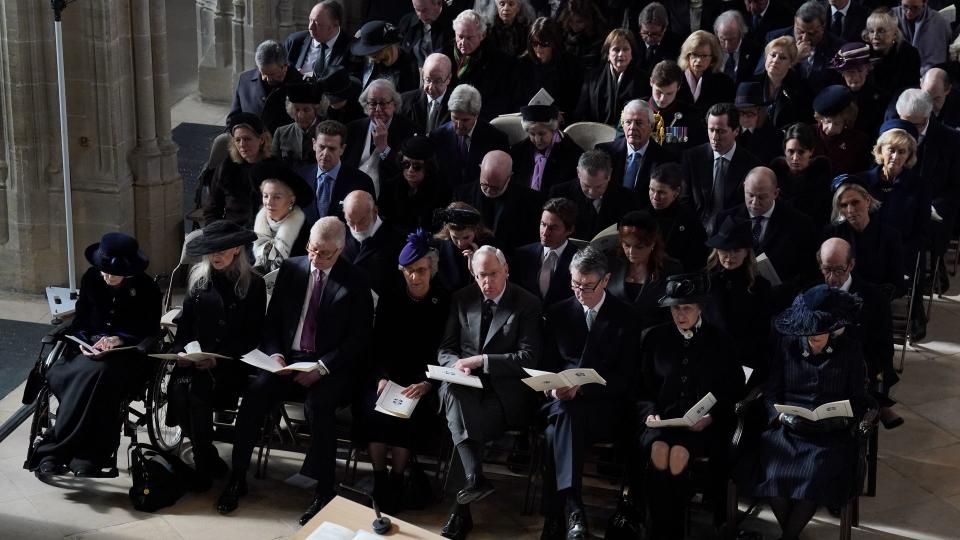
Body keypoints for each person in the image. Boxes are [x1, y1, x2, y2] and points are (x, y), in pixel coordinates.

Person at [217, 217, 374, 523]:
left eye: (325, 254)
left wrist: (323, 367)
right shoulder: (293, 268)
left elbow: (359, 339)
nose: (316, 258)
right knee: (254, 395)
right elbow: (273, 321)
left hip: (330, 365)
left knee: (319, 407)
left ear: (340, 250)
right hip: (287, 361)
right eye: (312, 250)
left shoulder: (355, 281)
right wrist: (275, 354)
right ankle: (237, 477)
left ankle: (324, 491)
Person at [28, 233, 161, 477]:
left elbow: (150, 330)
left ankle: (70, 452)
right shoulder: (92, 278)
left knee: (99, 377)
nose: (107, 276)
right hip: (87, 350)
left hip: (126, 356)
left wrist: (118, 339)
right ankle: (70, 453)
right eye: (104, 271)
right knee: (70, 374)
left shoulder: (147, 289)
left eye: (114, 273)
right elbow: (81, 320)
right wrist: (85, 341)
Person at [437, 245, 542, 540]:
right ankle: (473, 481)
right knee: (457, 399)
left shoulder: (527, 303)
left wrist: (482, 361)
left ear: (506, 269)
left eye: (493, 274)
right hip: (464, 385)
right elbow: (446, 348)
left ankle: (461, 509)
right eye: (481, 275)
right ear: (474, 273)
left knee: (468, 425)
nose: (487, 282)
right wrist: (456, 365)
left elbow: (527, 359)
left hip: (505, 392)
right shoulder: (462, 298)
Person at [539, 246, 639, 540]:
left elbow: (627, 377)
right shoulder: (558, 313)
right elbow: (545, 368)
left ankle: (560, 515)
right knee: (564, 416)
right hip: (560, 404)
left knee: (552, 435)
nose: (579, 292)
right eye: (574, 284)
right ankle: (572, 510)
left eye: (587, 286)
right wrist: (553, 389)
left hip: (604, 408)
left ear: (606, 280)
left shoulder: (626, 317)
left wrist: (584, 387)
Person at [754, 285, 868, 540]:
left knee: (814, 479)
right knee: (772, 476)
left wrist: (841, 417)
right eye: (809, 331)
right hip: (789, 431)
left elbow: (858, 399)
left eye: (821, 331)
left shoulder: (849, 350)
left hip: (830, 435)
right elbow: (771, 392)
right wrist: (781, 416)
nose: (814, 336)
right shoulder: (787, 346)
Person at [637, 273, 745, 539]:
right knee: (659, 452)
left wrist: (711, 416)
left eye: (686, 307)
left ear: (700, 308)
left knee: (678, 456)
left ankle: (668, 532)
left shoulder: (720, 341)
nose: (680, 314)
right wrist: (649, 410)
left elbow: (734, 388)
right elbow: (641, 386)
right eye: (675, 307)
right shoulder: (654, 338)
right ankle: (663, 531)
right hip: (663, 422)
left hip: (704, 426)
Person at [354, 229, 449, 513]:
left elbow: (446, 350)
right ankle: (380, 477)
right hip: (388, 376)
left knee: (409, 415)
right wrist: (381, 376)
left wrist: (427, 383)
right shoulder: (391, 297)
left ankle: (397, 478)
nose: (415, 277)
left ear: (431, 269)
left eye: (421, 270)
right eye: (409, 271)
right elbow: (377, 344)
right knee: (375, 410)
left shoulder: (443, 301)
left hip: (424, 380)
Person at [167, 222, 266, 490]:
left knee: (198, 394)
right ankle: (207, 453)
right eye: (211, 251)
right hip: (196, 358)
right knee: (177, 392)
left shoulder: (253, 284)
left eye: (221, 250)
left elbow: (253, 335)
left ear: (236, 248)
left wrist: (219, 357)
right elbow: (186, 324)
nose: (216, 256)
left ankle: (202, 462)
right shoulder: (199, 279)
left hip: (231, 363)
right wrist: (181, 353)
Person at [817, 237, 902, 428]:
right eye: (826, 269)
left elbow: (883, 350)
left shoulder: (874, 299)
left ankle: (877, 404)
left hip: (857, 368)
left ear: (851, 265)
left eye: (839, 270)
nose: (831, 278)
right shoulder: (811, 291)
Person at [713, 166, 818, 298]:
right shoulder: (724, 219)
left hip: (780, 301)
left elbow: (808, 272)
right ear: (744, 187)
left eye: (762, 197)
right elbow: (715, 264)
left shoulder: (800, 224)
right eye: (750, 195)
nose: (755, 203)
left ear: (776, 193)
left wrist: (780, 291)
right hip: (734, 298)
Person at [896, 84, 960, 290]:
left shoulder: (951, 140)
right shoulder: (893, 127)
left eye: (913, 125)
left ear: (927, 117)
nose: (905, 130)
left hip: (934, 208)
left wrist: (929, 206)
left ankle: (921, 280)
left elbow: (955, 187)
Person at [704, 216, 773, 381]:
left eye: (736, 250)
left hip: (747, 362)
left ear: (747, 252)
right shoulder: (707, 282)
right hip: (710, 359)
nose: (729, 256)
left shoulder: (760, 286)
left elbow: (761, 334)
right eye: (724, 250)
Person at [859, 118, 930, 275]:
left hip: (901, 257)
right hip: (863, 253)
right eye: (891, 150)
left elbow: (921, 232)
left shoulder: (919, 186)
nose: (895, 157)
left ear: (909, 155)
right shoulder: (861, 182)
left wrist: (897, 253)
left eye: (902, 151)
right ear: (880, 150)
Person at [680, 102, 763, 234]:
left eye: (721, 131)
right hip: (695, 233)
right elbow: (685, 199)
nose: (715, 137)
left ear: (736, 131)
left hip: (733, 234)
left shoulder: (751, 165)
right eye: (711, 130)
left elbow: (747, 207)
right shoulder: (692, 158)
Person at [824, 177, 907, 297]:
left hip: (876, 300)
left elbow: (898, 284)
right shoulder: (831, 233)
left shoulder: (890, 236)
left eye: (855, 202)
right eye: (843, 205)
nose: (850, 210)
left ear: (867, 201)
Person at [605, 210, 682, 330]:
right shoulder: (612, 264)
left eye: (639, 247)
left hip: (653, 337)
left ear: (652, 244)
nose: (631, 252)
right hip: (615, 335)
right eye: (626, 245)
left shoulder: (670, 269)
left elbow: (672, 312)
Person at [453, 150, 544, 251]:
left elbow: (531, 241)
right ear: (480, 169)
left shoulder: (530, 200)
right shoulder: (462, 194)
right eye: (484, 184)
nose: (489, 190)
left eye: (496, 187)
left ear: (509, 177)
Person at [342, 78, 417, 196]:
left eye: (383, 103)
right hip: (352, 195)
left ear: (394, 104)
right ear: (366, 106)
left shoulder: (409, 130)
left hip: (389, 198)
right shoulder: (352, 129)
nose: (378, 109)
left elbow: (406, 172)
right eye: (372, 103)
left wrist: (384, 148)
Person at [204, 113, 277, 227]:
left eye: (247, 139)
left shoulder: (276, 168)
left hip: (265, 233)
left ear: (261, 140)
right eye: (237, 140)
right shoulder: (226, 168)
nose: (242, 145)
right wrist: (219, 234)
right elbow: (212, 211)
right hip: (232, 232)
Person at [549, 150, 640, 241]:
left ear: (609, 175)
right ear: (578, 173)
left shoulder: (626, 198)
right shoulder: (559, 194)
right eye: (586, 185)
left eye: (599, 186)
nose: (591, 192)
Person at [431, 84, 510, 188]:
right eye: (455, 118)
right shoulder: (438, 136)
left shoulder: (496, 139)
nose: (459, 125)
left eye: (465, 120)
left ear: (476, 115)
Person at [298, 119, 376, 224]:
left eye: (331, 149)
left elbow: (368, 223)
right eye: (322, 147)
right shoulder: (300, 176)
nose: (325, 153)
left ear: (342, 149)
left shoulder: (361, 182)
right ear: (314, 144)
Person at [510, 197, 578, 308]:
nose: (545, 233)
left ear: (569, 230)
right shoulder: (522, 255)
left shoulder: (578, 259)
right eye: (543, 224)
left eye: (553, 228)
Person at [764, 1, 845, 94]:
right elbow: (761, 75)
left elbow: (838, 85)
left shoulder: (838, 47)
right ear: (795, 22)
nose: (805, 38)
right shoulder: (775, 38)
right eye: (800, 31)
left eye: (811, 33)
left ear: (823, 27)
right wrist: (795, 58)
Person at [574, 28, 651, 126]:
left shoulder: (643, 79)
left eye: (625, 49)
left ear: (632, 53)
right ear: (607, 53)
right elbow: (582, 111)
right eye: (616, 49)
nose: (621, 54)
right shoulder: (592, 78)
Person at [449, 9, 516, 120]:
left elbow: (500, 101)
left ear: (482, 35)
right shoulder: (444, 55)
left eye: (469, 38)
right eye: (460, 37)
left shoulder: (500, 62)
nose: (463, 43)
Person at [377, 135, 452, 233]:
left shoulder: (442, 191)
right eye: (406, 164)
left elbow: (439, 228)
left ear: (428, 167)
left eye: (417, 166)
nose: (410, 170)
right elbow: (383, 220)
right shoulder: (389, 187)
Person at [595, 99, 674, 193]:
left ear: (651, 126)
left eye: (639, 123)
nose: (632, 127)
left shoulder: (666, 159)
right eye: (628, 122)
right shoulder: (604, 152)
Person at [251, 160, 315, 273]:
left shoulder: (306, 234)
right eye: (265, 196)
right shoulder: (250, 227)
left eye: (277, 197)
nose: (269, 202)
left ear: (291, 201)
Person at [341, 190, 407, 296]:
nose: (356, 229)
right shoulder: (341, 236)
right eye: (351, 222)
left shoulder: (400, 240)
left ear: (375, 211)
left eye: (362, 221)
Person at [512, 17, 584, 114]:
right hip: (528, 119)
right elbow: (516, 100)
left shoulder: (570, 64)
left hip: (559, 119)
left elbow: (573, 100)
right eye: (534, 43)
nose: (538, 48)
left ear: (554, 42)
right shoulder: (523, 64)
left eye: (544, 44)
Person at [230, 40, 304, 134]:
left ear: (285, 67)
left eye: (272, 74)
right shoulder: (245, 80)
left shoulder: (300, 85)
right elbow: (233, 119)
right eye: (263, 73)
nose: (267, 79)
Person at [645, 162, 708, 272]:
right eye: (652, 189)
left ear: (677, 192)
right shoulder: (640, 217)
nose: (655, 197)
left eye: (661, 192)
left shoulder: (691, 223)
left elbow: (697, 262)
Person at [510, 102, 582, 194]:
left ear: (553, 130)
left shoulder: (572, 152)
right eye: (532, 134)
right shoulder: (518, 151)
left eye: (542, 133)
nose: (537, 140)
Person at [770, 122, 833, 228]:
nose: (795, 158)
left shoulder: (821, 176)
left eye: (801, 152)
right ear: (784, 151)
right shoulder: (775, 174)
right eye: (790, 151)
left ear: (811, 151)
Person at [643, 60, 704, 158]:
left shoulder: (691, 115)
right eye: (658, 92)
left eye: (669, 93)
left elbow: (697, 152)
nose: (662, 99)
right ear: (651, 82)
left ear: (678, 87)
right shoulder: (633, 110)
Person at [433, 203, 499, 292]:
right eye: (455, 237)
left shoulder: (489, 244)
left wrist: (479, 264)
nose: (460, 243)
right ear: (448, 231)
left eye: (466, 237)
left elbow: (497, 282)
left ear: (476, 230)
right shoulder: (439, 245)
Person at [832, 41, 887, 141]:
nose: (856, 76)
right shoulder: (834, 95)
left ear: (867, 69)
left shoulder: (880, 97)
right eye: (850, 72)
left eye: (860, 70)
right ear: (842, 73)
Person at [285, 1, 357, 76]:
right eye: (310, 20)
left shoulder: (352, 48)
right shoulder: (294, 41)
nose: (310, 27)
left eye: (317, 24)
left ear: (335, 25)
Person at [812, 84, 871, 175]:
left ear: (846, 123)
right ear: (820, 119)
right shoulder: (807, 134)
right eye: (827, 121)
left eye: (837, 123)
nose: (831, 128)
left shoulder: (859, 141)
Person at [757, 35, 814, 128]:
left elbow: (804, 123)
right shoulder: (752, 83)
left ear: (791, 63)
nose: (775, 60)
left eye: (782, 58)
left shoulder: (802, 89)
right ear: (766, 57)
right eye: (773, 55)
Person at [677, 31, 737, 119]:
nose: (698, 60)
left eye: (704, 56)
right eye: (694, 54)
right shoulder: (675, 78)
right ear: (687, 55)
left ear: (713, 58)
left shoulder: (725, 83)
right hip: (679, 132)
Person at [864, 8, 921, 100]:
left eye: (881, 31)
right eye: (871, 31)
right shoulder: (865, 52)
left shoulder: (909, 54)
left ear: (895, 33)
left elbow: (909, 89)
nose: (875, 36)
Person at [352, 20, 421, 94]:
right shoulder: (363, 62)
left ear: (389, 47)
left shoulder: (409, 67)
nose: (371, 60)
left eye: (375, 54)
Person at [272, 83, 327, 170]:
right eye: (296, 110)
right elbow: (274, 165)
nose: (301, 115)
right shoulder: (281, 133)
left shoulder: (327, 132)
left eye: (306, 110)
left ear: (316, 110)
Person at [892, 0, 952, 72]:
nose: (909, 12)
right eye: (905, 6)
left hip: (929, 74)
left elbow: (938, 60)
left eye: (915, 8)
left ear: (925, 3)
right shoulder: (892, 16)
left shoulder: (939, 22)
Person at [399, 53, 453, 134]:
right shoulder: (404, 101)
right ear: (422, 74)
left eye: (438, 81)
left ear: (448, 79)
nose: (431, 87)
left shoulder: (458, 105)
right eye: (428, 80)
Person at [735, 81, 784, 165]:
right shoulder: (728, 131)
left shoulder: (775, 137)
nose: (745, 118)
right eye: (741, 112)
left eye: (750, 113)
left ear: (760, 111)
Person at [398, 0, 455, 67]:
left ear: (439, 3)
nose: (420, 15)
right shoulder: (407, 22)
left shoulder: (456, 24)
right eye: (417, 10)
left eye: (425, 10)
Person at [715, 9, 763, 86]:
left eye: (732, 39)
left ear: (741, 33)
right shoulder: (711, 49)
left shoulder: (755, 51)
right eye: (722, 39)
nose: (727, 45)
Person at [558, 0, 607, 70]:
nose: (574, 25)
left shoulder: (597, 40)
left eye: (579, 22)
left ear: (588, 20)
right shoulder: (564, 36)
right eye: (570, 21)